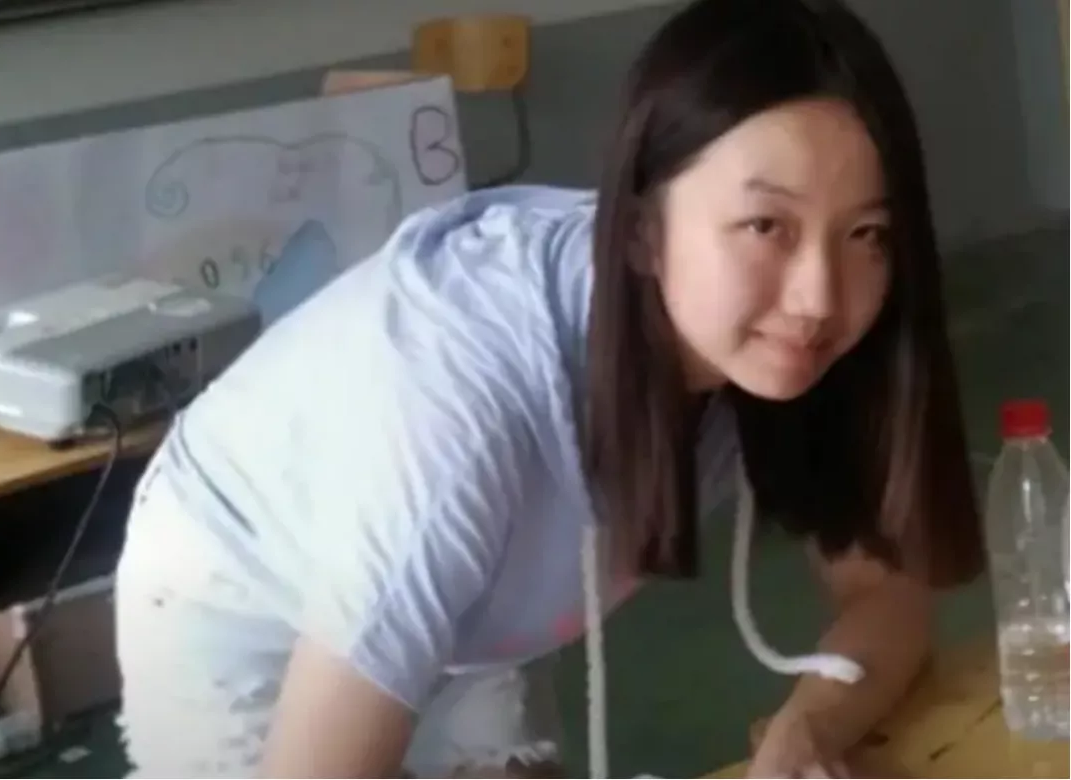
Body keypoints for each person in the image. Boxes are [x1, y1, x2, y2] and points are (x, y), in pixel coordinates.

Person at [113, 0, 985, 776]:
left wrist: (807, 731)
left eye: (866, 232)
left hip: (470, 604)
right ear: (640, 229)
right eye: (766, 225)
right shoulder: (460, 413)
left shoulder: (815, 335)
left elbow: (888, 596)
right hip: (249, 591)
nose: (819, 297)